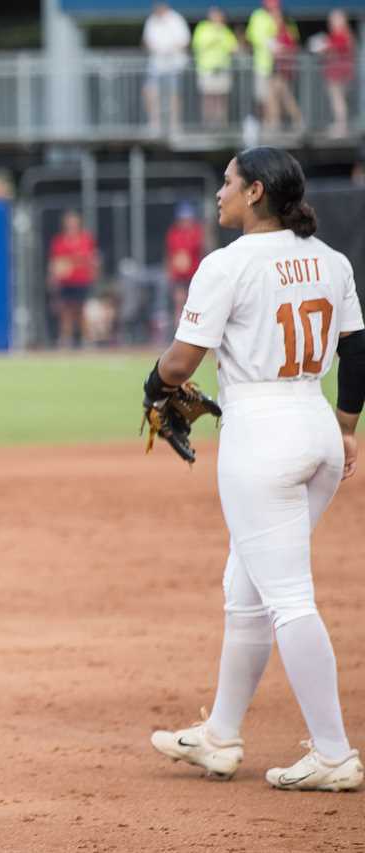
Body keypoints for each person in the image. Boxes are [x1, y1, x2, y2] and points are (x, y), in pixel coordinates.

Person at [147, 146, 365, 792]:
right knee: (246, 585)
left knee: (287, 597)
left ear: (258, 192)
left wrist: (152, 382)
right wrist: (348, 427)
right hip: (316, 424)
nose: (221, 192)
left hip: (261, 431)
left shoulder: (228, 263)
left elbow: (182, 365)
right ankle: (220, 734)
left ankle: (334, 751)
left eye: (229, 182)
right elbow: (356, 348)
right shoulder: (331, 259)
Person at [248, 0, 302, 132]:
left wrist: (281, 49)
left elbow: (292, 45)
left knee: (281, 97)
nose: (275, 13)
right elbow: (253, 36)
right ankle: (272, 125)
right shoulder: (259, 17)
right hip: (267, 67)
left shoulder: (287, 26)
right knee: (270, 98)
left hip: (280, 69)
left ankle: (291, 122)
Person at [48, 210, 99, 349]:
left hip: (81, 280)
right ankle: (66, 338)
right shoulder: (59, 241)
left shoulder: (85, 239)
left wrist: (91, 271)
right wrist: (53, 279)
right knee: (66, 311)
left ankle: (86, 338)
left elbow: (91, 259)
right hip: (66, 282)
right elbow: (55, 263)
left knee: (81, 310)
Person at [142, 2, 191, 133]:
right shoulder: (151, 20)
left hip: (174, 64)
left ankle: (175, 124)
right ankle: (154, 123)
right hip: (156, 65)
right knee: (150, 91)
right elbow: (147, 41)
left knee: (174, 94)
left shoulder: (176, 19)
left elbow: (184, 41)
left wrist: (168, 49)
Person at [310, 10, 356, 138]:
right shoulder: (341, 35)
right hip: (337, 73)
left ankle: (341, 126)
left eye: (335, 20)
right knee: (338, 100)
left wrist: (324, 47)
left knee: (338, 100)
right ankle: (340, 125)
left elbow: (333, 47)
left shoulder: (343, 35)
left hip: (339, 74)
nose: (332, 23)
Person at [192, 7, 239, 127]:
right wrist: (215, 38)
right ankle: (208, 124)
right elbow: (198, 45)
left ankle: (222, 124)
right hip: (207, 70)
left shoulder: (225, 31)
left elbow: (234, 48)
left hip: (222, 69)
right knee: (208, 98)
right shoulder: (202, 28)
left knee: (221, 98)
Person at [164, 201, 205, 332]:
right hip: (178, 276)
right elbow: (170, 255)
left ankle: (196, 332)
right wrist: (169, 271)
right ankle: (179, 333)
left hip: (194, 274)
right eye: (183, 219)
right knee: (179, 303)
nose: (185, 222)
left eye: (187, 218)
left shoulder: (197, 232)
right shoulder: (174, 233)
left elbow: (202, 251)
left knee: (195, 304)